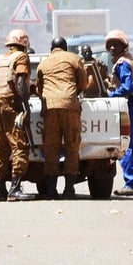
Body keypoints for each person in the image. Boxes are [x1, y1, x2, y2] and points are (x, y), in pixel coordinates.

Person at [34, 36, 88, 198]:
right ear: (65, 47)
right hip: (70, 106)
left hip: (50, 107)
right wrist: (71, 95)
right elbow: (83, 83)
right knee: (72, 147)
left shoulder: (44, 63)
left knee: (51, 148)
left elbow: (39, 88)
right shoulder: (74, 59)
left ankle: (51, 190)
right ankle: (69, 189)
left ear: (52, 48)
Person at [0, 29, 36, 201]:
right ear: (24, 44)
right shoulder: (20, 57)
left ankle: (0, 189)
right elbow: (20, 81)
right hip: (11, 104)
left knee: (2, 148)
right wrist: (25, 103)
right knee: (20, 145)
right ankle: (15, 188)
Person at [107, 30, 133, 197]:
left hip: (130, 105)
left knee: (126, 145)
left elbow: (128, 87)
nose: (111, 48)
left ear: (122, 46)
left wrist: (111, 95)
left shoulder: (123, 63)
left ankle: (131, 183)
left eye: (115, 44)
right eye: (109, 45)